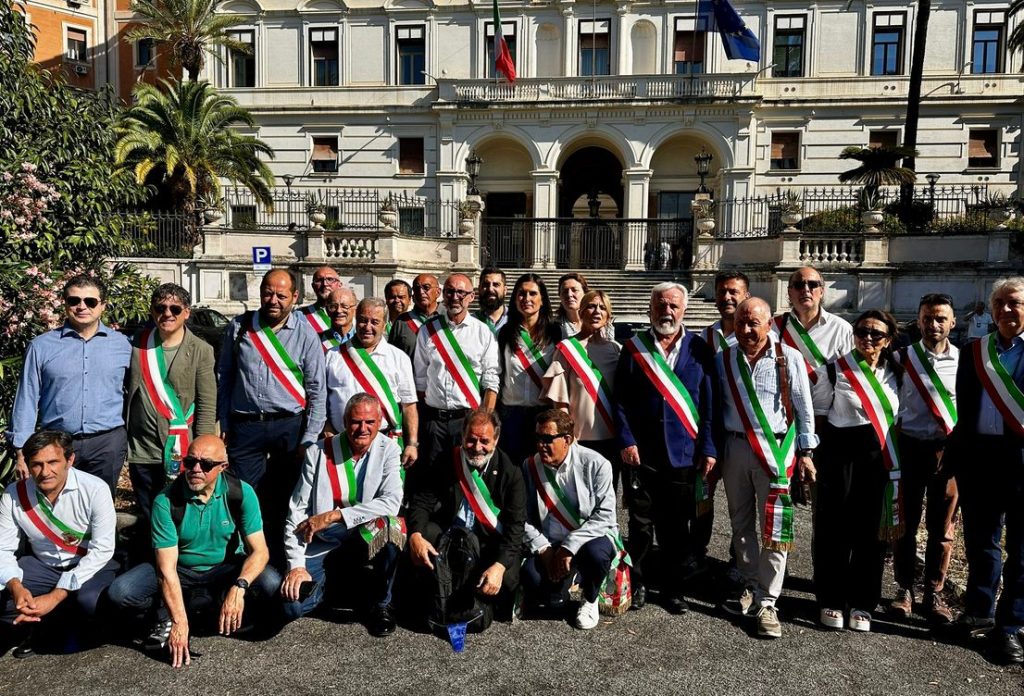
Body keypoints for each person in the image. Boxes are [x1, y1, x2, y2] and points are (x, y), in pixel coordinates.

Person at [107, 435, 281, 668]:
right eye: (190, 462)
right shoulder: (165, 501)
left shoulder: (241, 493)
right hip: (181, 569)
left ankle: (216, 607)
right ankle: (167, 615)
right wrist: (179, 622)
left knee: (270, 582)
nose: (196, 469)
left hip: (225, 566)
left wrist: (239, 587)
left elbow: (260, 551)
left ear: (223, 467)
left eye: (206, 464)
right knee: (121, 591)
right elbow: (166, 569)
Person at [715, 298, 817, 638]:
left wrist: (806, 452)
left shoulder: (789, 358)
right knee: (739, 521)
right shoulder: (724, 359)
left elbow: (804, 408)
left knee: (775, 528)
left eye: (753, 323)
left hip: (775, 451)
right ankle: (748, 583)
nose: (746, 330)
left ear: (769, 323)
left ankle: (768, 601)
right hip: (735, 446)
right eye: (741, 323)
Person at [614, 282, 717, 614]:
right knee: (640, 525)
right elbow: (620, 401)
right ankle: (640, 581)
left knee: (676, 526)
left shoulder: (700, 349)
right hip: (642, 453)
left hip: (684, 453)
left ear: (683, 310)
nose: (667, 312)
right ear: (650, 309)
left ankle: (673, 588)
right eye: (661, 305)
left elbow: (709, 404)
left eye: (673, 306)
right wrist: (627, 440)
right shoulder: (633, 348)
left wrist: (709, 447)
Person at [216, 269, 326, 564]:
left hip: (289, 427)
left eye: (281, 295)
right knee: (242, 496)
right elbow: (224, 376)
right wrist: (223, 422)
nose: (273, 300)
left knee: (285, 497)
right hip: (246, 425)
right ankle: (244, 559)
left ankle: (280, 560)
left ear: (295, 297)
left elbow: (316, 388)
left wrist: (310, 436)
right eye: (268, 293)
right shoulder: (239, 327)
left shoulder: (305, 334)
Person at [280, 395, 404, 637]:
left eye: (370, 422)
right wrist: (295, 566)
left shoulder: (389, 449)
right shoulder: (318, 452)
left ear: (379, 422)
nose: (363, 428)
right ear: (345, 421)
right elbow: (296, 511)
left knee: (391, 527)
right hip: (321, 543)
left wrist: (335, 516)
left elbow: (391, 502)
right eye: (356, 422)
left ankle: (381, 604)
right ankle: (334, 588)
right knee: (291, 608)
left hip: (362, 536)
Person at [947, 278, 1024, 663]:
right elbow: (964, 408)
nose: (1007, 310)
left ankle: (1011, 627)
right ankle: (979, 613)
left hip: (1023, 463)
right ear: (991, 310)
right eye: (1000, 304)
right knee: (981, 544)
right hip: (980, 462)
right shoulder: (974, 351)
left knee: (1022, 550)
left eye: (1015, 303)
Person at [812, 310, 903, 633]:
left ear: (888, 340)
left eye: (876, 334)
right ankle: (830, 598)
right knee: (833, 529)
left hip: (878, 457)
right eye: (862, 331)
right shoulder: (836, 370)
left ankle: (863, 601)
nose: (867, 339)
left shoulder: (897, 371)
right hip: (840, 454)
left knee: (870, 533)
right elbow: (820, 416)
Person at [9, 274, 131, 492]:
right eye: (74, 301)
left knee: (100, 508)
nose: (82, 306)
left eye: (90, 301)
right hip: (56, 443)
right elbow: (26, 398)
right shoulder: (41, 346)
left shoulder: (123, 345)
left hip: (107, 444)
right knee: (55, 506)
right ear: (65, 304)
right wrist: (21, 450)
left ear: (103, 305)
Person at [0, 430, 117, 658]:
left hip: (90, 566)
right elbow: (3, 549)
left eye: (53, 462)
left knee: (91, 602)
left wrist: (56, 595)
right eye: (37, 465)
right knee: (5, 602)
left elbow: (102, 549)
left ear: (69, 460)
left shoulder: (95, 489)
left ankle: (62, 624)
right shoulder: (14, 495)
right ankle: (43, 624)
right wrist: (16, 586)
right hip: (44, 566)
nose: (45, 472)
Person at [406, 409, 526, 631]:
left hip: (486, 541)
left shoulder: (511, 472)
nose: (477, 447)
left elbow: (515, 528)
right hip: (451, 538)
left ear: (496, 440)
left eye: (484, 441)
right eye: (471, 440)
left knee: (507, 578)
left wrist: (499, 567)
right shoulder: (446, 460)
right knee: (423, 537)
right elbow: (421, 502)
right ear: (462, 436)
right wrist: (415, 535)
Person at [890, 293, 959, 626]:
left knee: (942, 527)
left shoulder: (966, 361)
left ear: (952, 322)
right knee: (905, 523)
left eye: (941, 318)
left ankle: (934, 591)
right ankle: (904, 589)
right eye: (928, 318)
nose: (934, 324)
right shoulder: (902, 358)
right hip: (910, 448)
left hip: (947, 452)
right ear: (918, 321)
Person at [521, 410, 622, 630]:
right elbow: (523, 518)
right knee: (532, 579)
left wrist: (569, 547)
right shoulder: (530, 467)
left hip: (588, 539)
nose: (541, 445)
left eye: (547, 439)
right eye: (538, 438)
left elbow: (605, 516)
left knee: (598, 555)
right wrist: (543, 549)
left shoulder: (597, 464)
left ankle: (591, 598)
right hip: (550, 542)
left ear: (567, 439)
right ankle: (569, 577)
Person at [126, 284, 217, 524]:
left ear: (186, 312)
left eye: (175, 308)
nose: (167, 313)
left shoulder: (201, 350)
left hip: (181, 447)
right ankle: (151, 558)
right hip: (142, 448)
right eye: (161, 308)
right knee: (147, 510)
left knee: (179, 510)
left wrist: (204, 452)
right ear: (152, 311)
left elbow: (207, 404)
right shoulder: (137, 345)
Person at [414, 274, 500, 477]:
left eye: (461, 292)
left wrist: (484, 420)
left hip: (467, 420)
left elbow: (491, 380)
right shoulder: (427, 330)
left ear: (472, 296)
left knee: (467, 478)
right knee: (433, 478)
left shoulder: (483, 332)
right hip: (434, 421)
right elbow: (420, 380)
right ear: (443, 295)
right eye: (450, 291)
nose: (455, 297)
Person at [325, 298, 419, 470]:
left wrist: (412, 443)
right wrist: (327, 430)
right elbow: (321, 401)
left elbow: (409, 406)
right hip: (341, 443)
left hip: (385, 443)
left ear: (384, 325)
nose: (368, 327)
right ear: (355, 320)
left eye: (375, 322)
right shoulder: (333, 356)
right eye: (363, 320)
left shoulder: (398, 358)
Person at [541, 289, 622, 487]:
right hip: (579, 440)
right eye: (591, 306)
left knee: (607, 495)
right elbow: (559, 401)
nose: (597, 311)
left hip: (611, 439)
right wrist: (567, 438)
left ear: (608, 316)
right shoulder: (566, 348)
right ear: (581, 311)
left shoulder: (616, 350)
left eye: (602, 308)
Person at [497, 273, 561, 467]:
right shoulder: (505, 333)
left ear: (542, 300)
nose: (527, 299)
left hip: (543, 414)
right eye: (522, 294)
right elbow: (498, 373)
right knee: (513, 470)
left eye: (533, 294)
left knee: (542, 471)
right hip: (511, 415)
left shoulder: (555, 333)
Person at [772, 266, 854, 394]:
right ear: (789, 292)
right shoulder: (773, 327)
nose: (805, 290)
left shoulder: (841, 329)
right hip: (783, 407)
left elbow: (850, 374)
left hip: (825, 408)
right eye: (799, 285)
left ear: (821, 291)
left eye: (812, 284)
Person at [388, 273, 441, 359]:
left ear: (438, 292)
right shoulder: (402, 322)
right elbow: (392, 357)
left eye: (426, 287)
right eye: (417, 288)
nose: (421, 292)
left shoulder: (448, 317)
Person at [704, 271, 749, 353]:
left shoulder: (757, 335)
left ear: (747, 297)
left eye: (733, 292)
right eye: (722, 292)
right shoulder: (706, 335)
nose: (726, 297)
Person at [297, 266, 341, 334]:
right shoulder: (299, 316)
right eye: (319, 280)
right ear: (313, 286)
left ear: (339, 285)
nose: (325, 284)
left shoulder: (353, 314)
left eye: (330, 279)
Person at [319, 286, 358, 351]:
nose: (338, 310)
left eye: (345, 306)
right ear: (327, 310)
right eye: (333, 306)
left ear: (355, 310)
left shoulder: (363, 340)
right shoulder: (317, 340)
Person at [474, 267, 508, 334]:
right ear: (479, 289)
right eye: (486, 285)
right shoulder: (470, 322)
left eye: (496, 285)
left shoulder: (518, 321)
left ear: (505, 290)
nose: (490, 289)